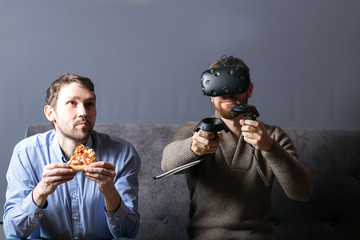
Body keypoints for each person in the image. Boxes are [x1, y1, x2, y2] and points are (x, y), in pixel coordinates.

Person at [161, 56, 313, 240]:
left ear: (249, 88)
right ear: (210, 94)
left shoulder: (273, 135)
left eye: (235, 85)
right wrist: (193, 148)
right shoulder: (194, 131)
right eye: (219, 87)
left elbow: (302, 192)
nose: (227, 93)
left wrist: (269, 148)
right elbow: (167, 164)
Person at [3, 73, 141, 240]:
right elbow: (12, 232)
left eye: (89, 104)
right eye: (72, 103)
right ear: (50, 113)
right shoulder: (25, 153)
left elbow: (128, 233)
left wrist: (109, 190)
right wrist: (41, 191)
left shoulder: (123, 153)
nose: (83, 112)